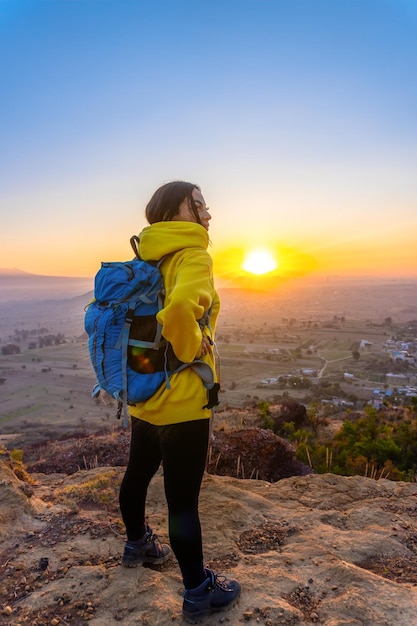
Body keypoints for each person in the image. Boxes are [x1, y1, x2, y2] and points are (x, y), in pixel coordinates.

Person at [118, 181, 241, 623]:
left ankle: (137, 545)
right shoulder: (193, 255)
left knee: (137, 473)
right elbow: (178, 312)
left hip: (143, 393)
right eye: (201, 206)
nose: (209, 216)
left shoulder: (145, 255)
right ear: (179, 210)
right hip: (183, 399)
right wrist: (190, 352)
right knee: (182, 502)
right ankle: (198, 591)